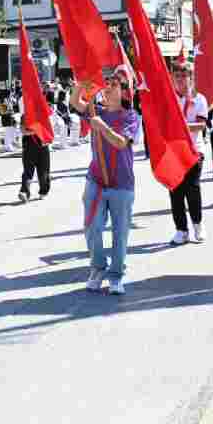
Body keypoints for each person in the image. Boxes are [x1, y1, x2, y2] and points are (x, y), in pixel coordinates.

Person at [70, 73, 139, 295]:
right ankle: (98, 268)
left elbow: (120, 142)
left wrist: (102, 128)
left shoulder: (131, 117)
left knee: (120, 233)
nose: (108, 88)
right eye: (106, 84)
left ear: (124, 91)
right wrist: (81, 84)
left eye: (114, 84)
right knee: (92, 227)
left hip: (121, 183)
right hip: (96, 181)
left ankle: (117, 275)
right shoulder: (95, 111)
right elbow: (74, 102)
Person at [169, 62, 208, 245]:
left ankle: (198, 225)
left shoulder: (199, 99)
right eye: (177, 77)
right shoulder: (168, 98)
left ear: (191, 78)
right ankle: (181, 230)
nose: (181, 80)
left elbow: (201, 124)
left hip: (194, 149)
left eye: (184, 76)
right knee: (176, 191)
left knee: (192, 189)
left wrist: (179, 126)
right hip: (173, 151)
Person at [20, 84, 55, 203]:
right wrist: (35, 129)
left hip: (43, 146)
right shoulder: (25, 116)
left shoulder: (45, 115)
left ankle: (43, 191)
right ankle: (24, 192)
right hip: (29, 147)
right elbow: (23, 131)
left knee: (44, 171)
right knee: (27, 171)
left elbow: (50, 130)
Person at [0, 88, 20, 153]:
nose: (12, 94)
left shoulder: (9, 99)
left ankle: (8, 146)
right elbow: (3, 111)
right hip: (6, 118)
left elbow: (14, 104)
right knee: (7, 133)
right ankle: (7, 146)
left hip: (10, 117)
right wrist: (10, 111)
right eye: (10, 93)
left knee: (10, 133)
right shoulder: (4, 100)